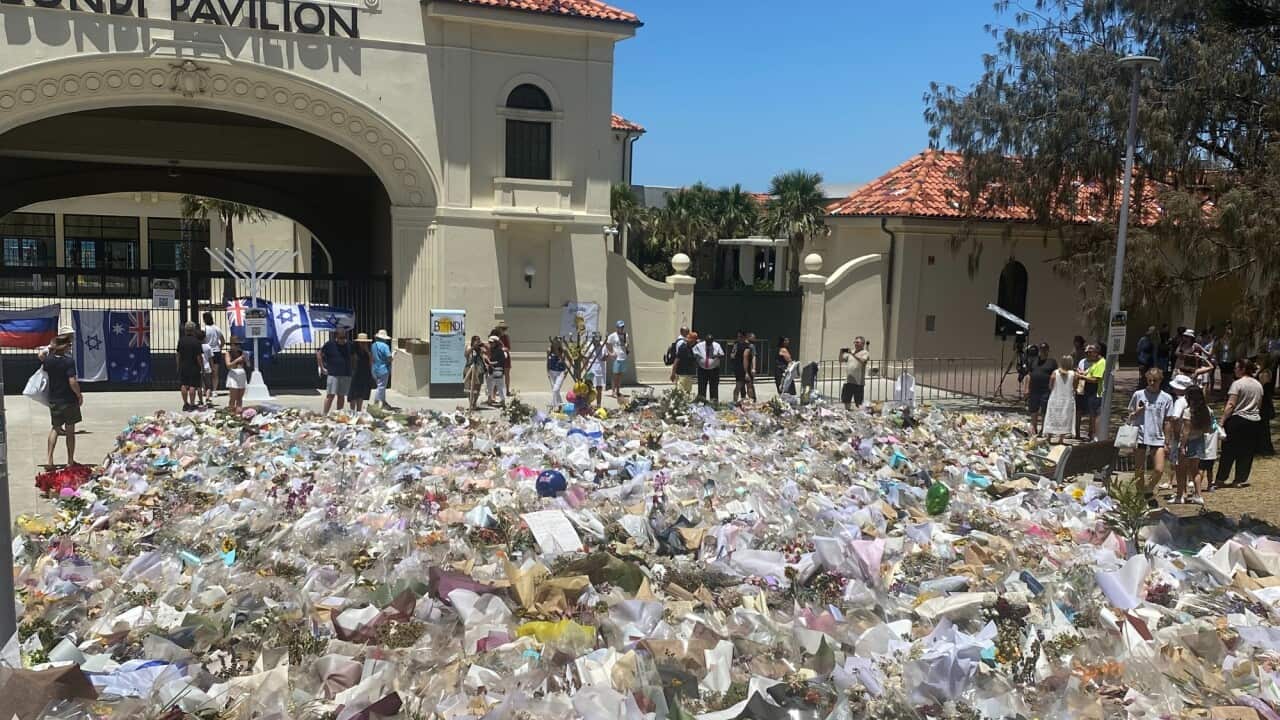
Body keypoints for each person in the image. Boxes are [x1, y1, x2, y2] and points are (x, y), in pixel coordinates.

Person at [1127, 368, 1175, 506]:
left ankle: (1148, 489)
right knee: (1139, 469)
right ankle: (1140, 494)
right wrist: (1137, 412)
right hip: (1140, 434)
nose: (1152, 383)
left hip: (1157, 436)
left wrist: (1167, 440)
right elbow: (1130, 414)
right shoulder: (1139, 394)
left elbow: (1167, 420)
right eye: (1149, 380)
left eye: (1155, 381)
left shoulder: (1166, 398)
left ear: (1161, 380)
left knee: (1159, 469)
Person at [1215, 358, 1265, 488]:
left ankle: (1221, 478)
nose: (1234, 370)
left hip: (1238, 419)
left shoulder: (1237, 384)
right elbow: (1259, 405)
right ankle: (1240, 479)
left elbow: (1231, 404)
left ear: (1242, 369)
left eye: (1236, 367)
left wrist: (1222, 421)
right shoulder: (1258, 384)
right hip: (1254, 421)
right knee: (1246, 451)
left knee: (1228, 451)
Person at [41, 333, 82, 467]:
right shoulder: (68, 361)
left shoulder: (49, 360)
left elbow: (40, 355)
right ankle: (70, 461)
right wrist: (79, 395)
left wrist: (50, 348)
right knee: (70, 431)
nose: (70, 347)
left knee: (55, 428)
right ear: (65, 347)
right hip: (68, 399)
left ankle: (49, 459)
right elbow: (72, 381)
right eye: (69, 345)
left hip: (54, 399)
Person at [1174, 382, 1211, 505]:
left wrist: (1182, 445)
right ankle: (1198, 495)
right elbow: (1207, 429)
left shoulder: (1188, 411)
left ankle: (1180, 496)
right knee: (1195, 470)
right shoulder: (1207, 411)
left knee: (1181, 469)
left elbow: (1186, 431)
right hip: (1199, 440)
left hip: (1188, 442)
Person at [317, 328, 353, 414]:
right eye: (341, 337)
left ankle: (338, 414)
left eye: (344, 337)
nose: (342, 339)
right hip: (333, 374)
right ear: (336, 336)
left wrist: (353, 369)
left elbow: (354, 357)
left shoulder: (349, 345)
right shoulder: (330, 344)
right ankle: (325, 414)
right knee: (330, 396)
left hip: (346, 373)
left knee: (341, 396)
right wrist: (322, 367)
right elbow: (319, 354)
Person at [1024, 342, 1057, 435]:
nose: (1043, 351)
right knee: (1033, 410)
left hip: (1046, 390)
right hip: (1034, 389)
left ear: (1048, 350)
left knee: (1044, 410)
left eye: (1045, 349)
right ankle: (1034, 428)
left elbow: (1055, 375)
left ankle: (1044, 429)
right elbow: (1028, 375)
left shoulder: (1052, 362)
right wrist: (1026, 388)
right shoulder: (1033, 361)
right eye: (1041, 349)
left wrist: (1053, 389)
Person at [1043, 354, 1077, 443]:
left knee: (1052, 416)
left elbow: (1050, 386)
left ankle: (1049, 437)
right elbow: (1075, 387)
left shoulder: (1055, 373)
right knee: (1065, 417)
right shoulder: (1074, 374)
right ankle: (1061, 439)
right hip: (1067, 399)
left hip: (1055, 397)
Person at [1076, 345, 1105, 440]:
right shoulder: (1095, 363)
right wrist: (1082, 374)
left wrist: (1082, 377)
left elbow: (1095, 379)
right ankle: (1091, 435)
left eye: (1091, 352)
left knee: (1095, 415)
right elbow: (1088, 373)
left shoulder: (1101, 363)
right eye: (1087, 352)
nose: (1088, 354)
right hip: (1088, 391)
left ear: (1096, 353)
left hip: (1096, 391)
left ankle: (1094, 435)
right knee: (1092, 414)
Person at [176, 321, 205, 412]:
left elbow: (178, 354)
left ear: (185, 330)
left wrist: (178, 365)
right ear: (193, 330)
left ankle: (185, 403)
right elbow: (198, 356)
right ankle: (192, 404)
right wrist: (202, 367)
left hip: (184, 365)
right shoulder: (196, 342)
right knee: (193, 385)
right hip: (194, 366)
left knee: (184, 385)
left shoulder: (181, 340)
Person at [839, 336, 871, 410]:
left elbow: (863, 361)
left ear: (862, 343)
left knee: (858, 403)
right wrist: (841, 352)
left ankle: (859, 417)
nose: (855, 344)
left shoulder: (865, 352)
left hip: (858, 382)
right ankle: (847, 415)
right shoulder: (851, 352)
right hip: (848, 381)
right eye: (855, 342)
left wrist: (852, 354)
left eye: (857, 342)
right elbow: (841, 360)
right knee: (846, 400)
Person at [693, 332, 725, 403]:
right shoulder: (699, 345)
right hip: (702, 369)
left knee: (714, 387)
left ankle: (713, 403)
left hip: (714, 369)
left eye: (710, 342)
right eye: (707, 342)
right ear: (705, 340)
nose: (709, 344)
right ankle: (702, 401)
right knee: (701, 387)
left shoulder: (717, 346)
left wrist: (717, 356)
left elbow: (722, 355)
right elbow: (693, 353)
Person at [348, 333, 375, 413]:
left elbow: (371, 362)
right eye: (361, 342)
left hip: (364, 374)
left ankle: (359, 411)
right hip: (355, 374)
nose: (363, 344)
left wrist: (367, 351)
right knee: (353, 394)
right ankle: (352, 412)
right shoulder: (353, 350)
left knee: (361, 394)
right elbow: (351, 362)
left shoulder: (368, 352)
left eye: (364, 342)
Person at [606, 320, 630, 401]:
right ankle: (613, 392)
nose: (621, 328)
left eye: (622, 327)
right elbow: (606, 344)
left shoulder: (625, 335)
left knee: (620, 376)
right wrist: (611, 353)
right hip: (617, 358)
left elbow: (627, 345)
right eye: (620, 327)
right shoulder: (613, 335)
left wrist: (627, 347)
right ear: (617, 327)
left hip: (623, 357)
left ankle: (618, 391)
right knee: (615, 376)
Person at [372, 329, 395, 409]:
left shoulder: (373, 345)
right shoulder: (385, 346)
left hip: (375, 368)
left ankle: (382, 401)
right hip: (383, 368)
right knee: (381, 387)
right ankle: (378, 403)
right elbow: (389, 358)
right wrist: (393, 355)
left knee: (379, 386)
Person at [203, 312, 225, 394]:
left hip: (207, 351)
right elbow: (223, 341)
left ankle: (205, 389)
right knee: (215, 372)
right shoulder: (217, 328)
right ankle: (215, 390)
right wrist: (219, 347)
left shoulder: (204, 329)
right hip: (216, 351)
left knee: (205, 371)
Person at [671, 329, 698, 394]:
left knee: (688, 392)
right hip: (682, 374)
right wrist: (673, 374)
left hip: (689, 374)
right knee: (680, 393)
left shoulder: (690, 348)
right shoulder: (683, 348)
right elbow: (676, 361)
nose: (695, 342)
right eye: (694, 340)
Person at [224, 338, 248, 412]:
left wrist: (246, 359)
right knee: (233, 398)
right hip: (233, 375)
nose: (238, 346)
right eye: (236, 344)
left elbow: (248, 365)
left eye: (239, 344)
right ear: (231, 345)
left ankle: (238, 413)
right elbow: (228, 365)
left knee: (240, 398)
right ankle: (231, 412)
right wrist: (237, 360)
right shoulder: (228, 353)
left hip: (242, 375)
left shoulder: (242, 353)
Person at [463, 335, 486, 411]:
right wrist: (473, 347)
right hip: (469, 368)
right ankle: (470, 403)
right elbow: (466, 354)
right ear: (473, 341)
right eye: (476, 340)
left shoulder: (480, 349)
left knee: (477, 387)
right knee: (469, 387)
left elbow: (485, 353)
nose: (478, 341)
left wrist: (482, 346)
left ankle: (474, 403)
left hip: (479, 369)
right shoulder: (469, 347)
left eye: (479, 340)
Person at [1259, 358, 1276, 457]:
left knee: (1264, 427)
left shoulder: (1265, 373)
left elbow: (1262, 387)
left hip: (1264, 404)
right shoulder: (1265, 372)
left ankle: (1265, 449)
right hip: (1265, 403)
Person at [491, 322, 512, 395]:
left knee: (507, 374)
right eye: (502, 329)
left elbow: (508, 348)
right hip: (498, 357)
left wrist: (503, 349)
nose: (503, 330)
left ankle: (507, 390)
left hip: (505, 357)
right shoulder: (495, 337)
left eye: (504, 329)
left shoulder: (506, 337)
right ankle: (495, 391)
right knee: (497, 374)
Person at [487, 334, 508, 407]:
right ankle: (489, 399)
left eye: (492, 343)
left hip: (498, 370)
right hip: (491, 371)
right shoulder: (490, 350)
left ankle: (502, 401)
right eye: (490, 343)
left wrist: (492, 363)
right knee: (489, 386)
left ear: (495, 343)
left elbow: (501, 361)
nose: (490, 344)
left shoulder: (499, 350)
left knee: (500, 387)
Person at [737, 332, 757, 402]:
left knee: (749, 384)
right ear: (748, 337)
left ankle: (752, 399)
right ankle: (747, 399)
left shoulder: (750, 346)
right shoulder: (748, 346)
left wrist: (753, 368)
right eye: (753, 337)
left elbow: (753, 357)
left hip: (746, 368)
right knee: (744, 385)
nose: (755, 339)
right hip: (743, 368)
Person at [1217, 322, 1236, 395]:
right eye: (1227, 329)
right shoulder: (1221, 340)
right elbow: (1218, 351)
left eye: (1230, 329)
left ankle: (1230, 394)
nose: (1228, 331)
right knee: (1223, 379)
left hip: (1231, 361)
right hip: (1223, 361)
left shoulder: (1234, 340)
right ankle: (1223, 394)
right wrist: (1218, 360)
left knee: (1229, 379)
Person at [547, 337, 567, 406]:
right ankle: (561, 404)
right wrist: (547, 372)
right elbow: (548, 361)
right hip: (551, 372)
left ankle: (554, 406)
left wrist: (566, 370)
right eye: (556, 342)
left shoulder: (563, 350)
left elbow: (570, 360)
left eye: (559, 342)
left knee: (555, 389)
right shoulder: (549, 350)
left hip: (560, 372)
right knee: (556, 391)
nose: (557, 343)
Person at [589, 333, 608, 407]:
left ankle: (598, 405)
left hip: (600, 369)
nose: (597, 341)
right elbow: (585, 357)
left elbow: (606, 356)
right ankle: (588, 405)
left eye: (598, 339)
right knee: (589, 387)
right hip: (591, 368)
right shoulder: (589, 346)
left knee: (599, 388)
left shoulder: (603, 345)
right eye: (595, 339)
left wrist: (605, 358)